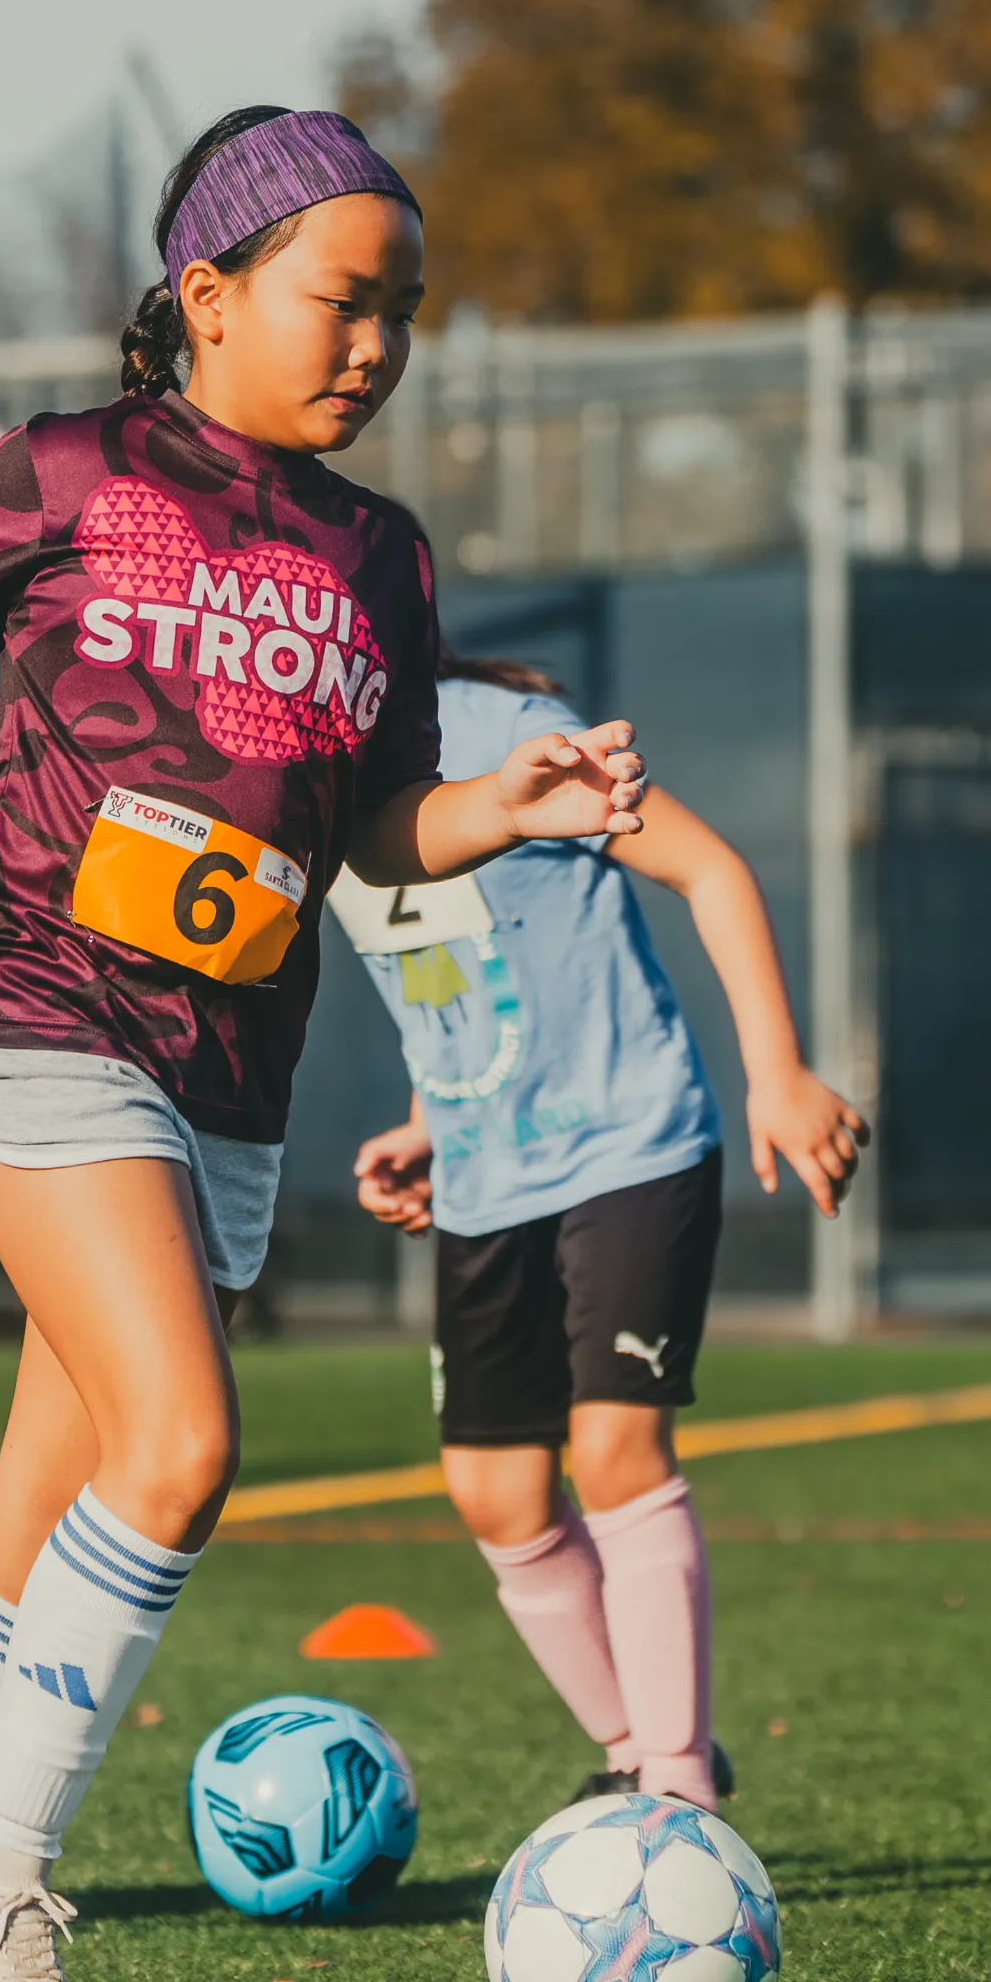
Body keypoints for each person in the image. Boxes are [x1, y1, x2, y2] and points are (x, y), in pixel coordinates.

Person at [0, 107, 647, 1982]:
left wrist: (507, 799)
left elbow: (379, 826)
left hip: (228, 1072)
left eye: (404, 310)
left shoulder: (378, 557)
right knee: (180, 1444)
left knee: (39, 1510)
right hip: (34, 1010)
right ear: (206, 293)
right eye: (340, 297)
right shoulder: (69, 470)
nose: (375, 342)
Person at [344, 656, 866, 1814]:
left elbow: (712, 870)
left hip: (631, 1142)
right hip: (487, 1181)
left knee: (616, 1451)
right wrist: (432, 1120)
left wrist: (774, 1073)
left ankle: (674, 1789)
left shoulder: (504, 728)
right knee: (493, 1492)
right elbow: (437, 964)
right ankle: (641, 1747)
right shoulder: (303, 780)